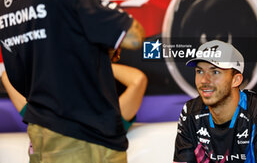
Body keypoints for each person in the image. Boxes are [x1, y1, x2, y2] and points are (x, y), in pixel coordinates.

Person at [0, 0, 144, 162]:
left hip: (40, 139)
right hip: (87, 140)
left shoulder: (6, 0)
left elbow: (19, 79)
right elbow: (134, 36)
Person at [173, 40, 257, 163]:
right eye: (199, 71)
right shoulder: (190, 112)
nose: (204, 81)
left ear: (236, 80)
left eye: (215, 72)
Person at [0, 63, 147, 131]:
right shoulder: (44, 115)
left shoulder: (106, 117)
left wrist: (91, 61)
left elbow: (138, 80)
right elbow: (6, 77)